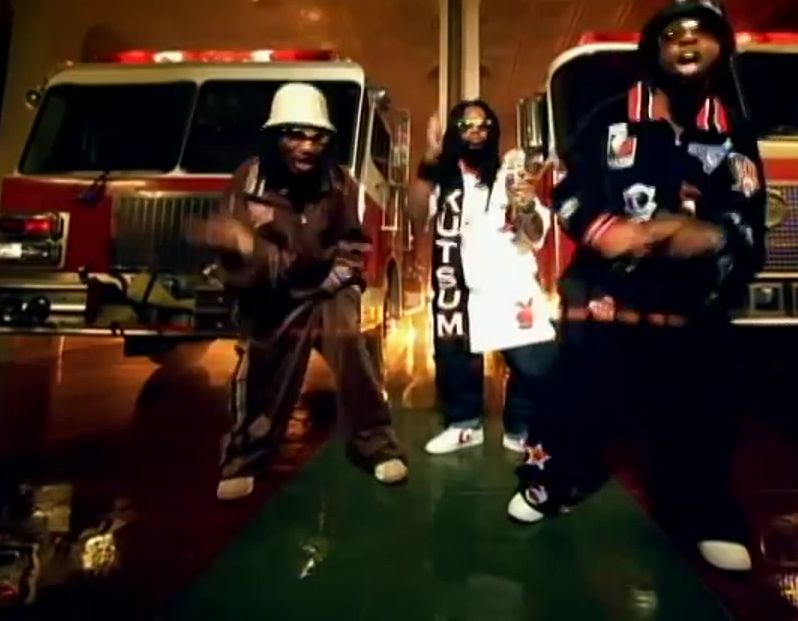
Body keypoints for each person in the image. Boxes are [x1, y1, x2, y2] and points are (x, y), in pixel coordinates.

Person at [505, 0, 768, 573]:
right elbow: (568, 191)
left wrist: (710, 236)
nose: (687, 41)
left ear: (722, 48)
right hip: (604, 302)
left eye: (701, 32)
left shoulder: (734, 132)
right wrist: (606, 231)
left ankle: (704, 513)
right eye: (673, 33)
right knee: (573, 399)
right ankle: (552, 483)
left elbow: (749, 217)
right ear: (654, 50)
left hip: (689, 306)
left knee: (701, 411)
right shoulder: (609, 117)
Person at [191, 82, 408, 500]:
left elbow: (354, 245)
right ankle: (245, 459)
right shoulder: (247, 182)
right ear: (275, 136)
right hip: (272, 291)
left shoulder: (339, 183)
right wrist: (247, 251)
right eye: (295, 135)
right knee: (262, 364)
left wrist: (336, 278)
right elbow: (237, 261)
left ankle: (378, 446)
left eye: (317, 136)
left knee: (350, 347)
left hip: (327, 288)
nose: (307, 147)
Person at [406, 100, 557, 456]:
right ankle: (464, 426)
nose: (476, 132)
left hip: (510, 282)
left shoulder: (510, 173)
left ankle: (520, 428)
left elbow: (536, 233)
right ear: (454, 133)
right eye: (466, 126)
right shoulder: (444, 177)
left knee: (536, 361)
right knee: (454, 359)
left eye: (484, 125)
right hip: (457, 284)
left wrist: (524, 203)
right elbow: (416, 213)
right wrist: (428, 160)